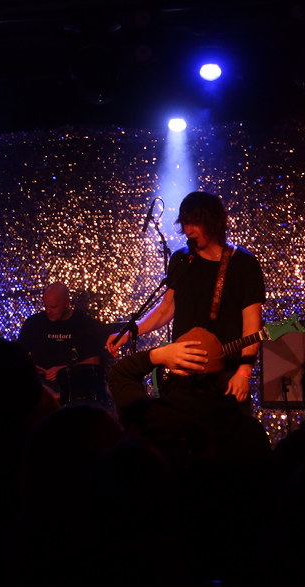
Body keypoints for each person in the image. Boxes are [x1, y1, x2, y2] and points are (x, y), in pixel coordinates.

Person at [106, 191, 266, 448]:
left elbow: (252, 325)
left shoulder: (243, 263)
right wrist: (129, 332)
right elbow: (165, 309)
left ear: (213, 221)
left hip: (225, 374)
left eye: (195, 222)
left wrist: (244, 372)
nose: (189, 230)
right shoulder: (181, 259)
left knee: (225, 445)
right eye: (185, 223)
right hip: (183, 374)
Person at [18, 282, 111, 408]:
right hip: (40, 385)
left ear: (67, 303)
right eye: (46, 307)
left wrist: (63, 370)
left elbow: (93, 361)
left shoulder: (85, 324)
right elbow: (19, 356)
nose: (48, 311)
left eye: (53, 307)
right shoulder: (33, 323)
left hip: (74, 384)